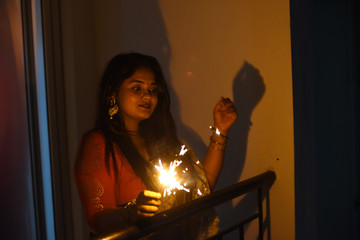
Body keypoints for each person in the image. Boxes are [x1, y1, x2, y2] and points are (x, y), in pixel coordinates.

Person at [74, 53, 237, 239]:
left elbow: (202, 186)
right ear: (113, 92)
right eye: (136, 88)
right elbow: (98, 219)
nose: (146, 96)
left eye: (152, 90)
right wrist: (132, 213)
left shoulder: (162, 141)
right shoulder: (98, 144)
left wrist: (220, 130)